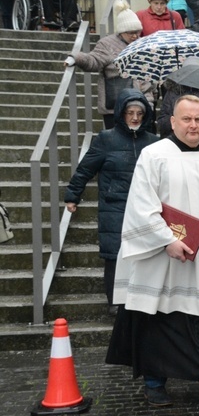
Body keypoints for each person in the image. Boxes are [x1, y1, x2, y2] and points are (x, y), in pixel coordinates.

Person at [106, 94, 199, 409]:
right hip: (164, 259)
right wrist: (165, 239)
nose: (193, 125)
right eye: (186, 119)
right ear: (173, 121)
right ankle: (155, 385)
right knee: (159, 321)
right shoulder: (154, 155)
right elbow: (141, 204)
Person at [64, 89, 159, 317]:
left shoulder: (154, 142)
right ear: (121, 114)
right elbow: (86, 168)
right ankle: (115, 302)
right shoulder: (106, 139)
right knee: (115, 255)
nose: (135, 117)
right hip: (114, 204)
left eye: (139, 113)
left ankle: (141, 298)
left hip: (145, 207)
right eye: (130, 112)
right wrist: (72, 196)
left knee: (145, 254)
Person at [64, 0, 154, 130]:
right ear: (121, 31)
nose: (135, 36)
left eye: (137, 32)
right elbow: (94, 60)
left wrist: (150, 101)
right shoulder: (107, 44)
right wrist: (76, 57)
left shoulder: (144, 44)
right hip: (115, 104)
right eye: (131, 33)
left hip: (141, 104)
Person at [157, 58, 199, 144]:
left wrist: (196, 127)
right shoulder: (173, 91)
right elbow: (162, 120)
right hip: (177, 141)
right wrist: (182, 125)